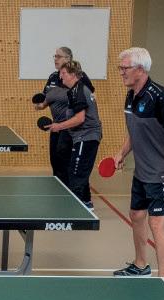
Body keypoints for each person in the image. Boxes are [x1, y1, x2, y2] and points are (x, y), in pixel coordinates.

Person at [110, 47, 164, 279]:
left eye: (125, 68)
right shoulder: (131, 95)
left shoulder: (160, 97)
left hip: (161, 172)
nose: (121, 72)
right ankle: (140, 264)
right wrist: (122, 153)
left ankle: (163, 279)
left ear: (140, 69)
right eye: (120, 68)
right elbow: (135, 131)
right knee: (136, 215)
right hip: (142, 171)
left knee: (156, 225)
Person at [34, 47, 94, 188]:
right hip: (56, 127)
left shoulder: (79, 77)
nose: (55, 59)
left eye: (59, 56)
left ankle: (73, 192)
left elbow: (89, 98)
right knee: (55, 161)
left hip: (72, 128)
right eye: (54, 56)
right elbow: (46, 100)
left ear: (68, 59)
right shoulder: (53, 77)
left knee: (68, 163)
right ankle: (60, 191)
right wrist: (39, 105)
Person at [47, 60, 101, 209]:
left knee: (76, 175)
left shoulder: (78, 91)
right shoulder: (74, 90)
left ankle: (74, 211)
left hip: (86, 137)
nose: (60, 77)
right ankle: (87, 203)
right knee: (78, 172)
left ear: (73, 75)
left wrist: (59, 126)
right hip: (81, 137)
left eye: (63, 73)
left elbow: (80, 118)